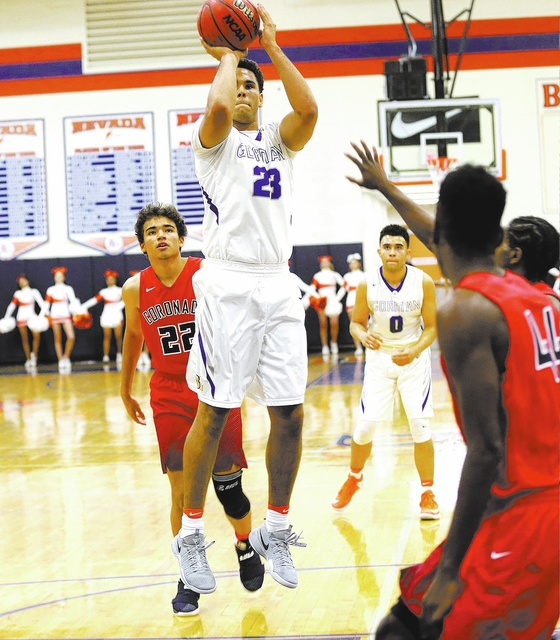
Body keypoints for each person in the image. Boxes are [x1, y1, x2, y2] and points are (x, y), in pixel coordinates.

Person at [345, 142, 560, 639]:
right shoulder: (539, 300)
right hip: (509, 508)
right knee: (397, 630)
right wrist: (385, 187)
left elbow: (485, 450)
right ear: (501, 239)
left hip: (523, 516)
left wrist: (449, 569)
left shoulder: (465, 310)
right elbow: (445, 237)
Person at [176, 3, 318, 595]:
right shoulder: (212, 145)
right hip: (228, 282)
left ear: (261, 98)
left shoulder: (280, 144)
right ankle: (188, 537)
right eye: (237, 84)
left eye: (251, 87)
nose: (241, 91)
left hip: (279, 282)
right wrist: (230, 51)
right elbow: (213, 106)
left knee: (289, 410)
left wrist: (270, 47)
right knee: (216, 411)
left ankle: (277, 527)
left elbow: (308, 109)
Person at [120, 203, 264, 617]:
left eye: (168, 229)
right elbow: (133, 337)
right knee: (182, 492)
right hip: (167, 391)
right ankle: (188, 574)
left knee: (228, 489)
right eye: (152, 231)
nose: (161, 235)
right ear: (142, 243)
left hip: (214, 386)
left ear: (182, 239)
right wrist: (125, 388)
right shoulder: (135, 288)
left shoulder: (206, 272)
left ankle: (244, 545)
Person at [331, 225, 439, 520]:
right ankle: (354, 477)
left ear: (408, 250)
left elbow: (431, 328)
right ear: (379, 250)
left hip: (413, 359)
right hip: (379, 360)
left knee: (420, 425)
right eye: (387, 246)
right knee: (364, 428)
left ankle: (428, 492)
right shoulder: (367, 283)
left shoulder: (424, 281)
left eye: (398, 247)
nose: (392, 252)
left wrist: (415, 350)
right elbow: (355, 323)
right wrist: (363, 336)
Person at [495, 215, 560, 313]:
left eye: (499, 243)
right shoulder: (514, 292)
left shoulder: (544, 302)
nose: (493, 250)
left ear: (515, 255)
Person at [3, 274, 45, 370]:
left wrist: (42, 316)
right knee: (24, 338)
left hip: (32, 317)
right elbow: (11, 307)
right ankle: (28, 358)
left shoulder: (34, 292)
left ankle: (34, 355)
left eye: (24, 280)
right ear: (19, 285)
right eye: (20, 282)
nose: (23, 282)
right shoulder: (18, 294)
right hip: (21, 318)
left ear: (27, 281)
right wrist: (6, 318)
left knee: (36, 336)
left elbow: (42, 304)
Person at [81, 269, 124, 365]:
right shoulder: (104, 292)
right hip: (107, 314)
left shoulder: (120, 290)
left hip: (117, 314)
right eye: (108, 279)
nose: (110, 281)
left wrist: (119, 306)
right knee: (107, 336)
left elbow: (126, 299)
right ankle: (106, 355)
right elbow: (94, 300)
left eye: (112, 279)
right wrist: (83, 306)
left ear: (115, 280)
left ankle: (119, 354)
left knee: (118, 336)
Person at [43, 266, 79, 372]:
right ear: (54, 278)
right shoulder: (51, 290)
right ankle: (60, 360)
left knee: (71, 336)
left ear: (63, 277)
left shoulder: (68, 289)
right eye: (56, 276)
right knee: (57, 338)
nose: (58, 278)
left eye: (60, 276)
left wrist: (78, 312)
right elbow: (46, 304)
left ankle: (66, 357)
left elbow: (73, 301)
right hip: (54, 315)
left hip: (66, 315)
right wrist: (43, 315)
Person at [310, 255, 344, 358]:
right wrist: (316, 297)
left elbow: (344, 285)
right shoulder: (317, 276)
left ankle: (334, 343)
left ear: (329, 263)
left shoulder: (335, 275)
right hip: (321, 302)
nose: (324, 263)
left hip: (333, 301)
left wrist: (337, 299)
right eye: (323, 262)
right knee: (323, 323)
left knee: (334, 323)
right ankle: (324, 346)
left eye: (326, 262)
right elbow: (312, 288)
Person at [337, 253, 366, 356]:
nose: (353, 265)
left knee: (365, 324)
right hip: (350, 301)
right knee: (354, 324)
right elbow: (342, 290)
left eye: (355, 263)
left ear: (359, 264)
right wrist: (335, 300)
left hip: (362, 300)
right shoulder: (347, 276)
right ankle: (358, 347)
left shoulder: (364, 275)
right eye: (351, 263)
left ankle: (366, 345)